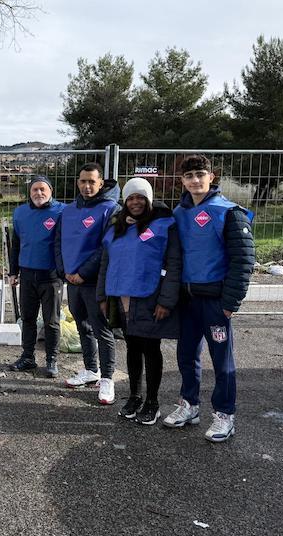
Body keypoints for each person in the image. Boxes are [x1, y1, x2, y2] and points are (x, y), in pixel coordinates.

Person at [163, 155, 254, 442]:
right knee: (186, 356)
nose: (195, 180)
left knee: (222, 362)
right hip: (188, 301)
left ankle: (225, 415)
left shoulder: (229, 212)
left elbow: (243, 260)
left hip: (216, 303)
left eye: (200, 174)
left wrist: (230, 303)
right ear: (182, 180)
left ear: (211, 177)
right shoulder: (179, 213)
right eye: (189, 176)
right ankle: (189, 405)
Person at [97, 178, 181, 425]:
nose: (135, 202)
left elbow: (174, 264)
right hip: (121, 299)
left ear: (149, 199)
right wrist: (102, 295)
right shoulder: (117, 226)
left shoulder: (164, 224)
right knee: (132, 347)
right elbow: (106, 263)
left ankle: (152, 402)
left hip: (149, 297)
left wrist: (166, 301)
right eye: (131, 198)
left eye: (140, 197)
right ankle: (135, 396)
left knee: (151, 349)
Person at [54, 162, 120, 404]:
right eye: (83, 181)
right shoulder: (68, 211)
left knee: (102, 329)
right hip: (72, 281)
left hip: (95, 282)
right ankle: (91, 370)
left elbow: (106, 247)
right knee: (82, 326)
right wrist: (64, 272)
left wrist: (83, 273)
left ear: (101, 183)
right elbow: (58, 242)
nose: (87, 186)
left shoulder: (111, 209)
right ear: (77, 183)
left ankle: (108, 379)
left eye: (92, 181)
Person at [7, 175, 66, 377]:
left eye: (43, 189)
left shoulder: (62, 211)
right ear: (29, 192)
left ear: (50, 191)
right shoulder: (20, 213)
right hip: (27, 275)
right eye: (35, 189)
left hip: (51, 277)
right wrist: (13, 272)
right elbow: (16, 245)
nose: (39, 193)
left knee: (51, 321)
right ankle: (28, 357)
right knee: (28, 318)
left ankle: (51, 360)